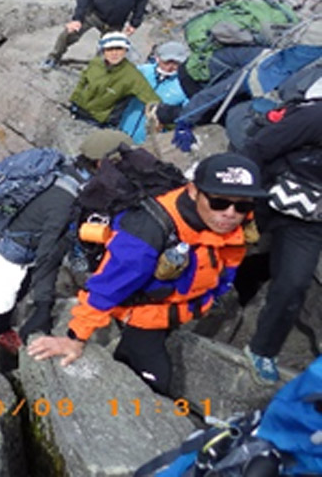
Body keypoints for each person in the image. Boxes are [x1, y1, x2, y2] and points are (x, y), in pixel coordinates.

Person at [27, 152, 267, 395]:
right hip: (145, 315)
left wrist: (216, 292)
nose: (230, 213)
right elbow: (107, 287)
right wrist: (74, 339)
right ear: (194, 191)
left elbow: (229, 260)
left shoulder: (237, 221)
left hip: (180, 307)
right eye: (219, 202)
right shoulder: (148, 230)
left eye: (243, 205)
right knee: (155, 384)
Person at [0, 130, 134, 354]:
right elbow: (49, 255)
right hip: (10, 255)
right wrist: (42, 307)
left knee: (13, 293)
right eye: (122, 162)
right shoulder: (66, 200)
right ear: (101, 162)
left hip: (9, 238)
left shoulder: (65, 168)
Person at [242, 93, 322, 385]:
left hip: (309, 219)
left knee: (294, 284)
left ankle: (263, 349)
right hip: (266, 195)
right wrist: (242, 198)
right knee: (222, 250)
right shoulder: (315, 117)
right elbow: (259, 148)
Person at [69, 32, 161, 127]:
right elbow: (83, 80)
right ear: (103, 51)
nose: (114, 53)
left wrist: (167, 119)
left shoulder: (132, 75)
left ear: (126, 50)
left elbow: (151, 99)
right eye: (109, 49)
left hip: (97, 121)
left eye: (119, 48)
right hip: (76, 108)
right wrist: (75, 98)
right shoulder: (95, 63)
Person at [118, 41, 191, 144]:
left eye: (176, 63)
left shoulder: (186, 85)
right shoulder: (142, 71)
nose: (170, 67)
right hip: (122, 131)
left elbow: (187, 114)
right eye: (167, 62)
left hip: (151, 141)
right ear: (158, 58)